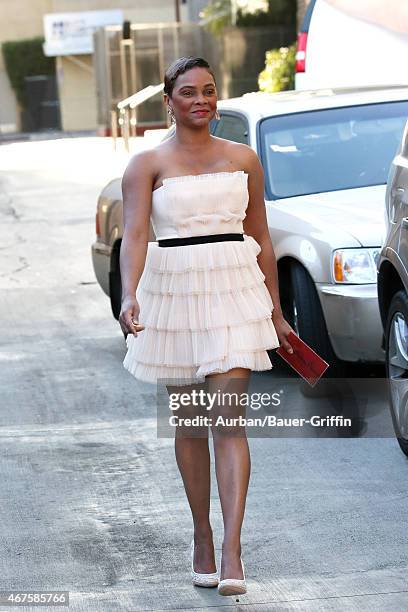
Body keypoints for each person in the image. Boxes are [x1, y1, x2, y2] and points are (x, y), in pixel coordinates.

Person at [119, 56, 294, 597]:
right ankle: (201, 533)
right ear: (168, 101)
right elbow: (134, 235)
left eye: (209, 90)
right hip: (173, 291)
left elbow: (261, 237)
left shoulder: (244, 158)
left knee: (228, 419)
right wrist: (128, 294)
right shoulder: (145, 164)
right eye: (189, 92)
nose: (201, 100)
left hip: (231, 291)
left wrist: (277, 310)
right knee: (190, 424)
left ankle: (233, 547)